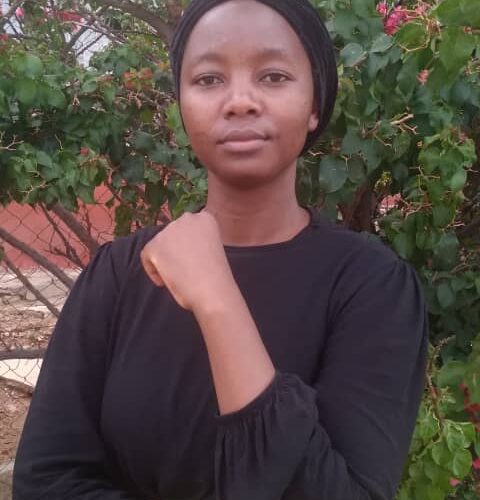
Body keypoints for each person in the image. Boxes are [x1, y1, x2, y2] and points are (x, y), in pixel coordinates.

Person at [13, 1, 428, 499]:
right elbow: (47, 480)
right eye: (209, 79)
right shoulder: (120, 272)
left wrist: (218, 302)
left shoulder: (374, 286)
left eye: (273, 76)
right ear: (183, 105)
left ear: (315, 105)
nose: (240, 101)